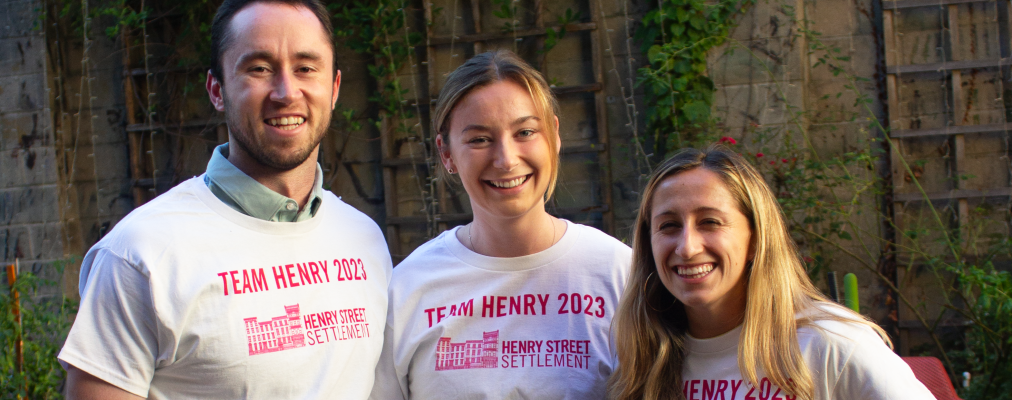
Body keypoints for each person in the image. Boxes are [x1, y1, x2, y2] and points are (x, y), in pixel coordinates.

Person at [58, 0, 393, 398]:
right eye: (259, 69)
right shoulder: (140, 255)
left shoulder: (364, 238)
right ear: (217, 90)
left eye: (306, 68)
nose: (286, 92)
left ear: (334, 88)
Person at [369, 49, 630, 399]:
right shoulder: (411, 287)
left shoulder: (618, 273)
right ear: (446, 153)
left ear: (553, 134)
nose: (506, 160)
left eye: (524, 132)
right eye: (479, 139)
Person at [609, 146, 935, 400]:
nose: (687, 247)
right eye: (669, 226)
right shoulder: (643, 360)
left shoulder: (830, 345)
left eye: (710, 221)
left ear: (755, 238)